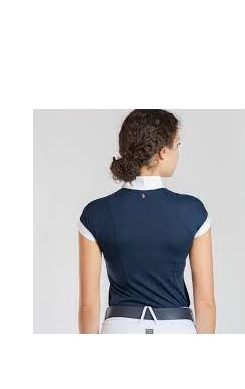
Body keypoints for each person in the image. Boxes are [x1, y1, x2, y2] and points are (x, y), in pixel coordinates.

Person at [78, 109, 216, 334]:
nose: (178, 153)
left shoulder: (95, 213)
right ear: (163, 152)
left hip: (120, 329)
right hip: (176, 330)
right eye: (177, 145)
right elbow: (206, 302)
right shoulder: (193, 211)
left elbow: (88, 306)